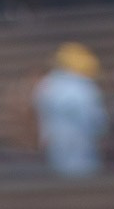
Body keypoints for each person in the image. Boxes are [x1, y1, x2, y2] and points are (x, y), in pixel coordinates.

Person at [33, 43, 108, 175]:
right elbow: (94, 117)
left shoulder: (48, 84)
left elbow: (41, 112)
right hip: (81, 140)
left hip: (57, 139)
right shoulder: (84, 86)